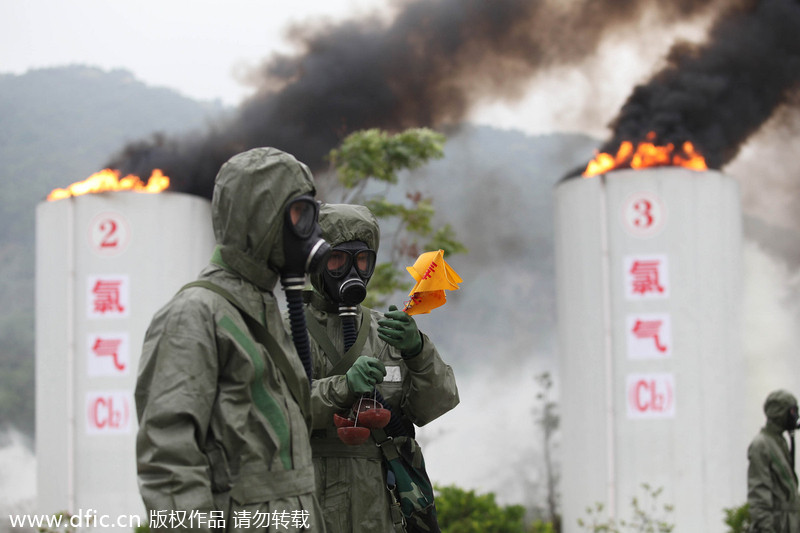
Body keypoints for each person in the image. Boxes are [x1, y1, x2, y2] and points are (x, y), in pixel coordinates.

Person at [135, 147, 331, 532]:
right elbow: (168, 462)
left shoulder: (260, 308)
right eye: (299, 214)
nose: (311, 231)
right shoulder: (195, 314)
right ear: (260, 218)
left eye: (312, 214)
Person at [300, 203, 459, 533]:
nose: (351, 270)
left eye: (361, 260)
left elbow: (434, 405)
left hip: (378, 503)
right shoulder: (288, 329)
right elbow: (275, 407)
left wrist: (418, 351)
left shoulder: (387, 331)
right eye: (337, 259)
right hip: (306, 492)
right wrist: (343, 387)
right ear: (317, 262)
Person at [747, 389, 800, 532]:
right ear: (779, 412)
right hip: (776, 526)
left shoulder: (779, 442)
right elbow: (759, 494)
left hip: (789, 525)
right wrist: (766, 528)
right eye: (792, 411)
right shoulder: (761, 445)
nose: (795, 416)